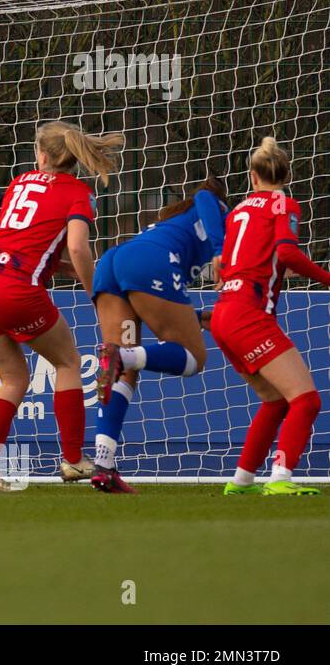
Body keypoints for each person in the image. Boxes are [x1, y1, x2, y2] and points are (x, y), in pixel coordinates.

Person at [0, 121, 123, 492]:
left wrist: (54, 266)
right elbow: (79, 247)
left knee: (14, 378)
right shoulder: (77, 191)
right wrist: (93, 290)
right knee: (66, 361)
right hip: (14, 288)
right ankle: (72, 460)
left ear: (42, 155)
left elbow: (22, 240)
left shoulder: (20, 181)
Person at [88, 176, 228, 493]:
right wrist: (220, 250)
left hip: (114, 262)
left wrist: (193, 317)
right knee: (194, 357)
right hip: (149, 263)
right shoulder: (220, 210)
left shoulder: (176, 222)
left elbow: (151, 310)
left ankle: (103, 464)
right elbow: (206, 196)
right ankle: (120, 355)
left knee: (124, 374)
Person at [211, 138, 326, 495]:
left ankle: (242, 480)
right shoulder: (284, 204)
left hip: (224, 313)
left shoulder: (238, 211)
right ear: (286, 174)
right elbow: (287, 253)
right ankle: (280, 478)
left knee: (275, 400)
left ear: (252, 177)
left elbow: (223, 265)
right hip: (250, 312)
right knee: (307, 400)